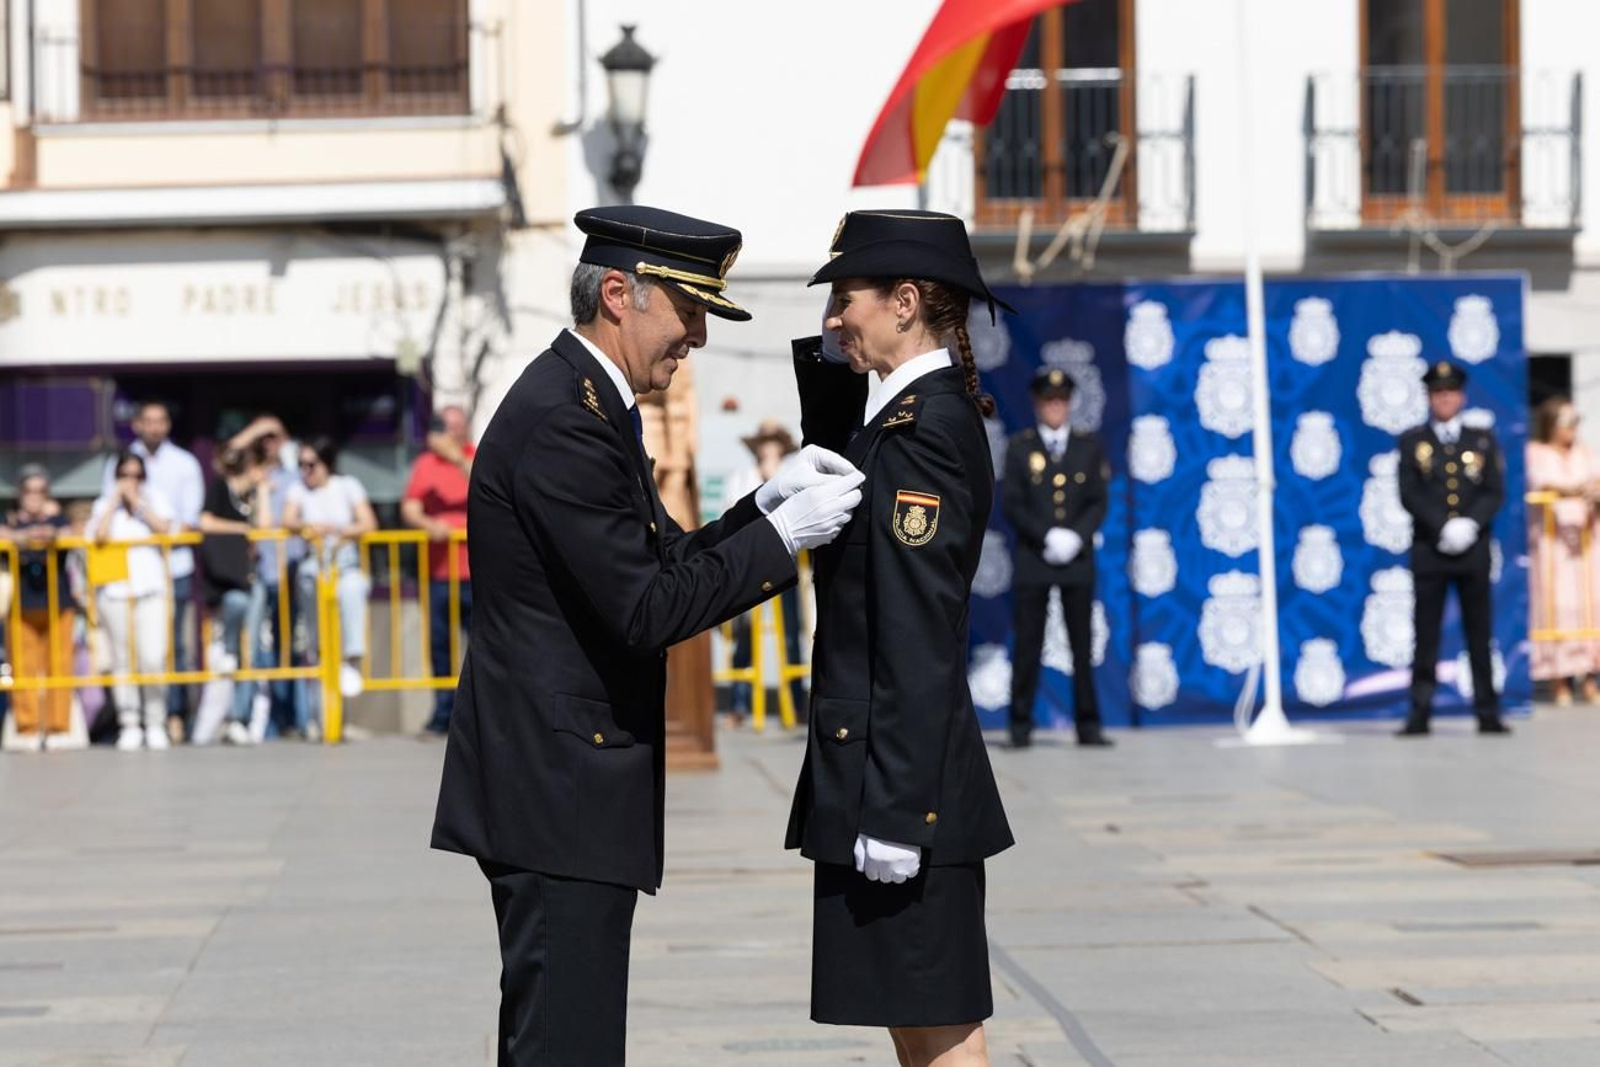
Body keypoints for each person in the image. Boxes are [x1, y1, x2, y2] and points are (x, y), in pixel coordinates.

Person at [430, 205, 865, 1065]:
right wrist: (785, 542)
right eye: (689, 311)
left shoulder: (594, 401)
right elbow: (646, 608)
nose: (697, 337)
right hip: (556, 789)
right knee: (566, 1042)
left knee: (573, 1036)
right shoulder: (566, 416)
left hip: (567, 783)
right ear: (620, 294)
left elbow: (663, 555)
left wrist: (763, 504)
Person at [784, 209, 1016, 1067]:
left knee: (943, 1031)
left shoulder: (924, 433)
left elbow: (917, 634)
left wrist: (898, 810)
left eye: (847, 298)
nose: (834, 318)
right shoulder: (894, 415)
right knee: (909, 1023)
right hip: (877, 770)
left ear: (907, 301)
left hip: (901, 783)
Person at [1396, 360, 1510, 736]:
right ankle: (1420, 710)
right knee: (1426, 632)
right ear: (1430, 398)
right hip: (1431, 549)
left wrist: (1470, 523)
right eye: (1438, 393)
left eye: (1450, 392)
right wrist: (1442, 525)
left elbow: (1493, 490)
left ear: (1460, 396)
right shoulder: (1414, 441)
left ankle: (1487, 710)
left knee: (1479, 632)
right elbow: (1409, 492)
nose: (1445, 398)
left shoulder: (1480, 439)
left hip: (1472, 551)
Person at [1003, 368, 1111, 748]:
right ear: (1037, 403)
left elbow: (1098, 499)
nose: (1055, 406)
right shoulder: (1020, 448)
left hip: (1076, 559)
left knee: (1082, 645)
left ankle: (1089, 724)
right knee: (1028, 643)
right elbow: (1012, 501)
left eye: (1061, 400)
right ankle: (1019, 725)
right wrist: (1045, 534)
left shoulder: (1087, 446)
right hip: (1035, 557)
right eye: (1049, 400)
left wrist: (1075, 536)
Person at [102, 401, 204, 738]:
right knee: (128, 650)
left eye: (160, 421)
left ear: (168, 425)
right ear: (137, 425)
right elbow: (107, 518)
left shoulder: (184, 464)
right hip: (125, 575)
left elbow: (185, 521)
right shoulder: (117, 461)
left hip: (172, 568)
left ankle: (170, 717)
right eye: (148, 421)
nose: (154, 427)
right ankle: (133, 721)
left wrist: (144, 508)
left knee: (167, 648)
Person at [283, 437, 376, 716]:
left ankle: (351, 657)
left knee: (352, 589)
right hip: (315, 564)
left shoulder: (347, 486)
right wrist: (308, 526)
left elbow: (369, 523)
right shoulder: (298, 490)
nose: (305, 470)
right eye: (300, 464)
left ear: (326, 463)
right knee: (309, 580)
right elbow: (287, 520)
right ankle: (318, 650)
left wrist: (339, 531)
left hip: (345, 564)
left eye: (310, 464)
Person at [90, 451, 175, 751]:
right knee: (122, 661)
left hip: (150, 589)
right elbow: (97, 536)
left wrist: (139, 504)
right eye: (125, 475)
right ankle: (129, 722)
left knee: (153, 658)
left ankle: (155, 720)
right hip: (115, 592)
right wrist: (114, 502)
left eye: (136, 475)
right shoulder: (103, 505)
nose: (131, 481)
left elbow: (166, 529)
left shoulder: (154, 499)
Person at [724, 419, 808, 722]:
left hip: (784, 562)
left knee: (789, 636)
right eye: (764, 441)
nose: (768, 447)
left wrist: (773, 476)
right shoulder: (741, 477)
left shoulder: (789, 474)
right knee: (744, 636)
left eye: (773, 441)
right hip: (749, 565)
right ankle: (739, 702)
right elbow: (732, 514)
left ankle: (797, 702)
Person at [401, 405, 475, 736]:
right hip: (439, 573)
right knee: (440, 646)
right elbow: (410, 507)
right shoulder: (425, 465)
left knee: (480, 646)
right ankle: (442, 712)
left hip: (476, 572)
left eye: (456, 427)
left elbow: (488, 486)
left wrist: (458, 458)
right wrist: (429, 523)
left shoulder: (476, 455)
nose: (451, 433)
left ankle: (478, 712)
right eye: (446, 427)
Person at [1526, 396, 1600, 705]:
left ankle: (1589, 675)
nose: (1573, 429)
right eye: (1567, 422)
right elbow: (1542, 484)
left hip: (1586, 541)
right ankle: (1559, 678)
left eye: (1576, 422)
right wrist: (1574, 490)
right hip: (1551, 543)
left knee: (1590, 606)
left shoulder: (1585, 452)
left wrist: (1590, 491)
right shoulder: (1536, 452)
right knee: (1556, 605)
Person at [199, 441, 272, 744]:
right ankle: (225, 717)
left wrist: (264, 492)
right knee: (235, 622)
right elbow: (204, 521)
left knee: (252, 651)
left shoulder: (254, 496)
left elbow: (266, 528)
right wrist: (241, 529)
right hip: (228, 583)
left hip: (252, 577)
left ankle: (241, 717)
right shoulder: (219, 488)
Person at [1, 466, 77, 752]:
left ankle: (58, 727)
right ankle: (28, 726)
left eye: (40, 491)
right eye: (29, 491)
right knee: (23, 666)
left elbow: (73, 531)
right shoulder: (10, 520)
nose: (34, 497)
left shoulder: (57, 519)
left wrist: (52, 529)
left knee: (59, 664)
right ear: (20, 494)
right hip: (21, 604)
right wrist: (24, 535)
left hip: (57, 602)